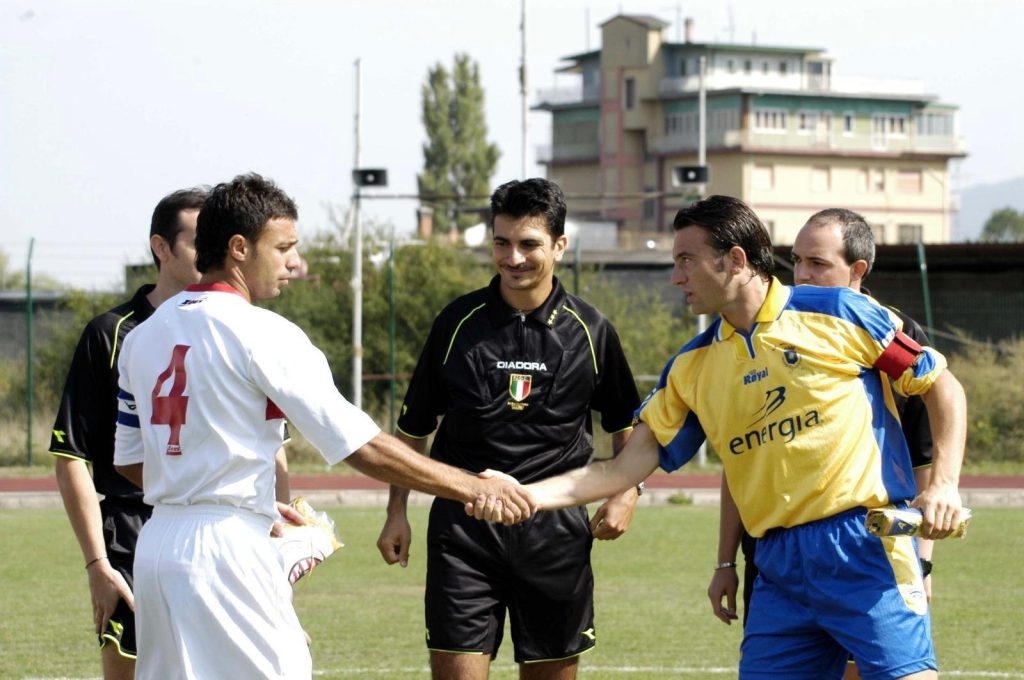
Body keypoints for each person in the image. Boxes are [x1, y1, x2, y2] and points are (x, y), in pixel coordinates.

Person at [476, 195, 967, 679]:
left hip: (862, 548)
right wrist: (527, 495)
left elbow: (941, 386)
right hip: (777, 567)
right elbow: (620, 470)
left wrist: (943, 485)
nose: (676, 277)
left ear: (735, 260)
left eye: (686, 260)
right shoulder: (691, 367)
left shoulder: (840, 311)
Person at [112, 173, 534, 680]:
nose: (295, 262)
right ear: (240, 248)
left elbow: (129, 461)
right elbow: (360, 445)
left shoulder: (143, 336)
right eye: (284, 247)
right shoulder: (264, 332)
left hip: (157, 548)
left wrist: (212, 494)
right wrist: (474, 486)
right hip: (229, 552)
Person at [377, 178, 641, 680]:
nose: (513, 257)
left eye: (528, 244)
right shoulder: (457, 323)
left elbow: (624, 424)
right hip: (463, 531)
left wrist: (626, 492)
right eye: (502, 242)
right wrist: (396, 512)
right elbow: (413, 430)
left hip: (556, 532)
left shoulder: (591, 330)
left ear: (560, 245)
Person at [706, 208, 939, 678]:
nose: (803, 275)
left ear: (858, 270)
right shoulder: (763, 334)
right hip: (775, 554)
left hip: (863, 544)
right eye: (796, 261)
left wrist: (924, 561)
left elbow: (923, 455)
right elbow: (742, 456)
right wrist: (725, 561)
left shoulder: (895, 333)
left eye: (818, 263)